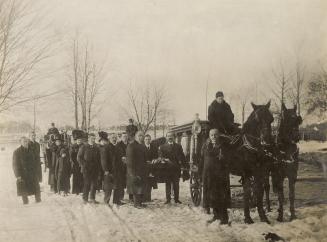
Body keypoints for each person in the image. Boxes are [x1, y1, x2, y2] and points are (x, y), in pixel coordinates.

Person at [199, 129, 229, 224]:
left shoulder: (223, 146)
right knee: (212, 196)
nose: (213, 137)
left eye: (215, 135)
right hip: (208, 175)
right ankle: (216, 215)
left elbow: (228, 162)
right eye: (211, 135)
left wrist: (223, 159)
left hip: (220, 176)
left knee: (221, 196)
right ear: (209, 136)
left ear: (219, 135)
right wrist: (200, 173)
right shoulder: (206, 145)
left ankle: (224, 218)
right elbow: (202, 160)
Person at [159, 132, 186, 204]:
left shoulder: (178, 146)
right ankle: (168, 199)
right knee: (167, 184)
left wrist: (184, 164)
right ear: (166, 137)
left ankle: (176, 199)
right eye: (168, 136)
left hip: (176, 169)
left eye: (171, 136)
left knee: (176, 184)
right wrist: (164, 159)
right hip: (167, 168)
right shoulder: (162, 147)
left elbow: (182, 156)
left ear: (174, 137)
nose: (170, 137)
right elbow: (161, 156)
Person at [13, 137, 41, 204]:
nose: (26, 143)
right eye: (24, 141)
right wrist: (18, 175)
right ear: (21, 142)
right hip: (23, 173)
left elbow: (37, 160)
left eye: (26, 141)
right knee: (24, 187)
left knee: (36, 186)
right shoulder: (17, 152)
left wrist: (38, 170)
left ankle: (38, 199)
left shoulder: (32, 150)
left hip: (33, 172)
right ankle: (25, 202)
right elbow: (15, 164)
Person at [77, 133, 101, 204]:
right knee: (87, 184)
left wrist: (98, 167)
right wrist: (84, 165)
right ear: (88, 138)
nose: (93, 140)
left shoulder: (97, 147)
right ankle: (85, 199)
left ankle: (92, 198)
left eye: (94, 138)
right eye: (91, 138)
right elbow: (79, 157)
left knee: (94, 184)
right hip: (86, 169)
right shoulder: (84, 147)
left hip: (95, 168)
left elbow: (99, 158)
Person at [126, 131, 147, 208]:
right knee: (136, 187)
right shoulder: (131, 146)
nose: (141, 137)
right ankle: (136, 204)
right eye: (139, 136)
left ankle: (140, 203)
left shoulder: (142, 146)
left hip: (142, 171)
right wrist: (132, 173)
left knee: (141, 188)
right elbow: (129, 161)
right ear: (136, 137)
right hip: (134, 171)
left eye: (142, 136)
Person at [99, 131, 116, 205]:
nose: (114, 139)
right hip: (108, 170)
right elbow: (103, 160)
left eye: (115, 138)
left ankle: (108, 200)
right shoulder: (106, 148)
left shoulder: (112, 147)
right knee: (108, 187)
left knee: (110, 186)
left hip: (112, 170)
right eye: (112, 138)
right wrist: (106, 170)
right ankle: (106, 201)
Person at [143, 134, 158, 202]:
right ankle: (144, 198)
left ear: (150, 140)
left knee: (150, 184)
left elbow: (156, 156)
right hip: (144, 168)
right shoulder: (141, 147)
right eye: (146, 139)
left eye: (149, 139)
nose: (147, 141)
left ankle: (148, 198)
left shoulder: (154, 147)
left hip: (152, 168)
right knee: (144, 183)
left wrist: (155, 159)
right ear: (144, 140)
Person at [70, 130, 84, 195]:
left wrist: (82, 163)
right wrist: (75, 163)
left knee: (82, 177)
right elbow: (71, 156)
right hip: (75, 164)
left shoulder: (83, 146)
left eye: (80, 140)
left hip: (82, 164)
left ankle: (81, 190)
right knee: (75, 177)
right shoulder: (73, 146)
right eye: (78, 140)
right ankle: (75, 191)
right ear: (76, 140)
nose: (79, 141)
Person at [115, 132, 128, 201]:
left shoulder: (130, 144)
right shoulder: (118, 145)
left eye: (126, 136)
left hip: (129, 165)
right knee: (121, 181)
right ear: (121, 137)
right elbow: (116, 155)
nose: (125, 138)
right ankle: (121, 197)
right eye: (123, 137)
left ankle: (131, 197)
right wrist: (122, 158)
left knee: (129, 180)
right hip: (121, 165)